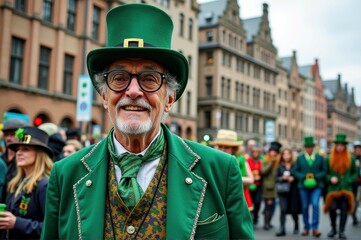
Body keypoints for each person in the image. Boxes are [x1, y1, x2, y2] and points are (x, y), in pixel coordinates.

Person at [41, 4, 254, 239]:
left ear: (170, 99)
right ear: (104, 96)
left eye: (149, 79)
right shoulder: (65, 175)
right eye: (119, 78)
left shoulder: (220, 171)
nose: (133, 91)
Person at [0, 127, 53, 239]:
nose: (19, 153)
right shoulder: (16, 183)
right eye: (18, 149)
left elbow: (50, 228)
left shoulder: (44, 185)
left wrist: (16, 223)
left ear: (39, 154)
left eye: (25, 149)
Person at [209, 129, 254, 211]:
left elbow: (251, 179)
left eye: (226, 147)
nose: (222, 149)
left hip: (237, 197)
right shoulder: (212, 161)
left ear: (233, 148)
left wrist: (233, 178)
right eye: (220, 146)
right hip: (218, 198)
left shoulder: (241, 160)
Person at [324, 133, 357, 239]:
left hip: (346, 189)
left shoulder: (351, 159)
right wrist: (330, 178)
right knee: (332, 208)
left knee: (344, 209)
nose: (340, 147)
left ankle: (341, 231)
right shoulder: (328, 158)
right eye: (338, 145)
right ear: (335, 146)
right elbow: (325, 173)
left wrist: (349, 179)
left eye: (342, 145)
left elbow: (355, 173)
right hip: (333, 189)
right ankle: (333, 228)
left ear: (345, 146)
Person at [292, 136, 326, 237]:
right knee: (305, 206)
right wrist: (303, 177)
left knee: (315, 204)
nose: (309, 148)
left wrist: (315, 176)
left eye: (311, 147)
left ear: (314, 147)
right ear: (305, 147)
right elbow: (295, 171)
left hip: (317, 186)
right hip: (303, 186)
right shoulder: (300, 158)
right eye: (307, 147)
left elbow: (324, 170)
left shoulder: (320, 158)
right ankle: (306, 227)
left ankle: (315, 228)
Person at [0, 119, 30, 202]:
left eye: (13, 134)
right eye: (6, 135)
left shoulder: (25, 161)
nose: (9, 138)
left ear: (22, 135)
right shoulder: (1, 158)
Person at [275, 147, 301, 236]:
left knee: (294, 210)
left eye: (288, 154)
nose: (286, 156)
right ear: (282, 156)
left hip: (293, 190)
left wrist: (293, 178)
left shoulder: (295, 165)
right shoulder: (279, 166)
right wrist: (282, 178)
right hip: (283, 190)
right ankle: (282, 229)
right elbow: (276, 178)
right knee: (283, 209)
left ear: (291, 155)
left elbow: (299, 176)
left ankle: (296, 225)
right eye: (284, 154)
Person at [261, 141, 282, 230]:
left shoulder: (279, 162)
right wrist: (270, 163)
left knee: (272, 206)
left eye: (275, 152)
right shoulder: (266, 160)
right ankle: (266, 224)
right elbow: (263, 171)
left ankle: (269, 222)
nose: (273, 153)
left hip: (276, 187)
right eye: (271, 151)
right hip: (268, 187)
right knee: (268, 206)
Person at [247, 143, 263, 226]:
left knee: (257, 202)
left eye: (257, 152)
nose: (255, 153)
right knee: (250, 202)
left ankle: (256, 215)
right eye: (254, 152)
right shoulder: (248, 160)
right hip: (250, 185)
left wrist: (260, 175)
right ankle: (251, 216)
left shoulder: (261, 161)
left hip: (258, 185)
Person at [352, 140, 361, 225]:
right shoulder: (352, 159)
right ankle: (354, 216)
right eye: (356, 149)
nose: (358, 151)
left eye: (359, 149)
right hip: (356, 183)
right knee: (356, 200)